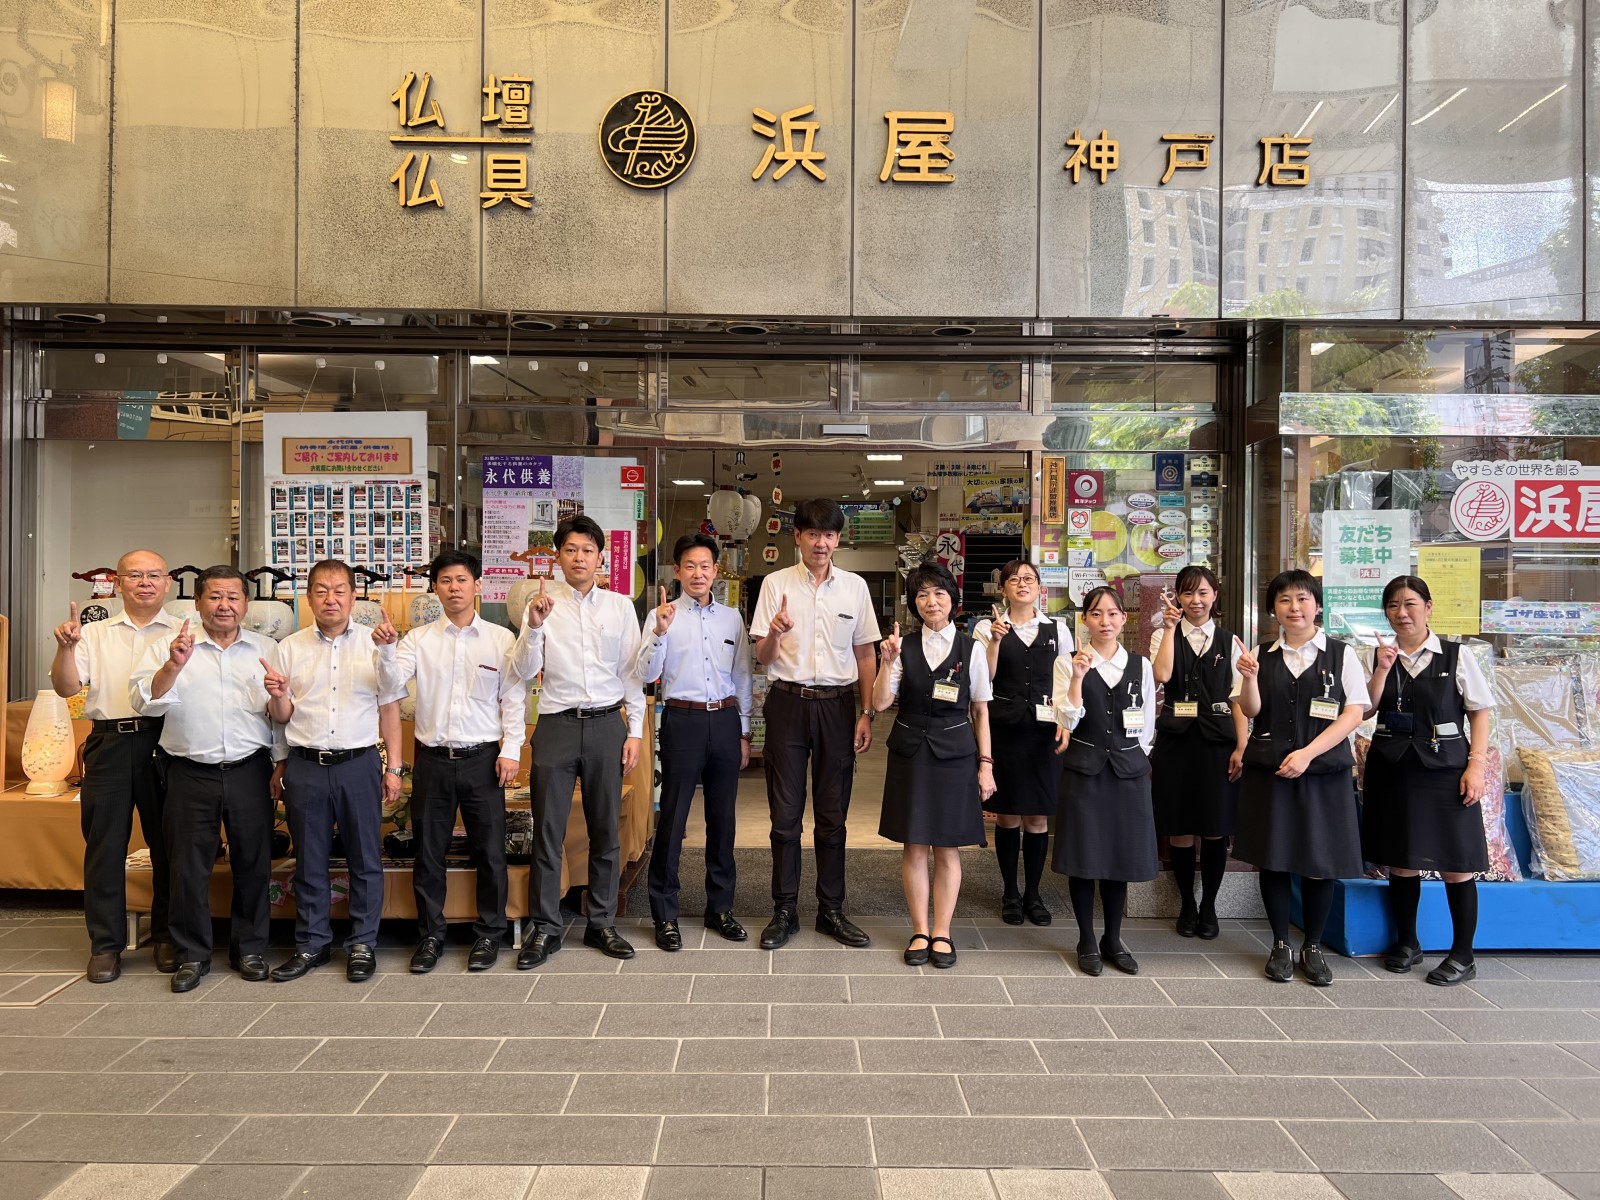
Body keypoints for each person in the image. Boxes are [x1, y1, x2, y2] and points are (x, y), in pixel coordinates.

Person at [129, 566, 285, 992]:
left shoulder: (266, 647)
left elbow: (281, 715)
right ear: (198, 602)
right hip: (188, 772)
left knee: (253, 863)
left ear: (246, 604)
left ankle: (250, 949)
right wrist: (173, 667)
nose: (224, 606)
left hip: (250, 770)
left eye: (233, 597)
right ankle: (192, 954)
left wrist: (280, 760)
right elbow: (145, 701)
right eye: (215, 597)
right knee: (187, 869)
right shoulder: (169, 644)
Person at [379, 550, 524, 974]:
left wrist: (511, 750)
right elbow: (389, 687)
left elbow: (512, 700)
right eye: (445, 580)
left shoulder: (501, 639)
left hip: (484, 759)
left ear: (477, 586)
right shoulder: (417, 640)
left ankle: (489, 933)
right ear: (436, 587)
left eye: (461, 580)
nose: (454, 587)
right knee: (429, 853)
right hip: (434, 762)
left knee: (490, 853)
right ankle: (430, 935)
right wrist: (387, 652)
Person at [510, 515, 646, 967]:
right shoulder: (542, 605)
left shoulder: (620, 607)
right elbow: (525, 671)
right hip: (556, 725)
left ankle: (601, 923)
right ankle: (546, 927)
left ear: (600, 557)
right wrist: (532, 627)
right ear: (558, 557)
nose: (579, 558)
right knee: (547, 829)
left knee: (605, 827)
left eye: (588, 550)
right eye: (570, 550)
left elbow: (632, 674)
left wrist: (636, 732)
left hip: (608, 724)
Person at [750, 497, 881, 950]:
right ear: (798, 538)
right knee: (784, 817)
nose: (820, 543)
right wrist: (775, 633)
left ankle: (831, 910)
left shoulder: (855, 588)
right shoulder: (774, 584)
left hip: (839, 707)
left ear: (838, 539)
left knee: (832, 815)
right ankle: (784, 909)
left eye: (829, 535)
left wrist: (866, 712)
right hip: (786, 704)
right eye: (812, 534)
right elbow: (761, 657)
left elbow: (866, 654)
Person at [266, 559, 404, 983]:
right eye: (322, 590)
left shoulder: (374, 642)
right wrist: (278, 700)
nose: (331, 598)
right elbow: (281, 715)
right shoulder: (289, 647)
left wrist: (394, 768)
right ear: (308, 599)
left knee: (365, 857)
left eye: (340, 590)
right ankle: (311, 944)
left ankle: (363, 943)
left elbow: (390, 707)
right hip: (306, 765)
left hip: (358, 764)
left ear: (352, 596)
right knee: (308, 860)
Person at [50, 549, 182, 983]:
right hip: (109, 741)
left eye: (154, 575)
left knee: (169, 845)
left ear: (167, 582)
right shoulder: (94, 633)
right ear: (119, 583)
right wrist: (65, 649)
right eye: (135, 575)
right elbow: (67, 686)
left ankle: (166, 936)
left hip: (166, 742)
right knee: (104, 846)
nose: (145, 582)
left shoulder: (185, 631)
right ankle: (105, 946)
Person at [1232, 569, 1368, 987]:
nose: (1295, 608)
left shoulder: (1341, 654)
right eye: (1285, 600)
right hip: (1271, 770)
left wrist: (1308, 754)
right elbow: (1251, 711)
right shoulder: (1260, 653)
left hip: (1323, 773)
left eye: (1303, 599)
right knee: (1273, 858)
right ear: (1273, 608)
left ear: (1318, 605)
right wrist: (1251, 677)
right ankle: (1278, 944)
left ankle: (1312, 945)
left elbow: (1354, 712)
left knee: (1319, 861)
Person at [1363, 574, 1494, 987]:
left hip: (1444, 771)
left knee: (1457, 863)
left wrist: (1476, 766)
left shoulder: (1455, 656)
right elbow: (1365, 709)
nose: (1402, 613)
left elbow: (1480, 711)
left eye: (1410, 604)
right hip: (1392, 767)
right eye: (1393, 606)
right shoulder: (1381, 655)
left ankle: (1463, 955)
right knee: (1401, 860)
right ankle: (1407, 942)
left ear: (1428, 607)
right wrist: (1382, 669)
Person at [872, 564, 996, 969]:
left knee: (947, 846)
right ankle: (919, 929)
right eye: (922, 594)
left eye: (939, 593)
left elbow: (980, 711)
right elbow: (878, 704)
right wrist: (885, 662)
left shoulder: (971, 647)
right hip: (911, 751)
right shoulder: (902, 646)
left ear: (952, 601)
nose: (931, 601)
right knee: (914, 844)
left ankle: (942, 931)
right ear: (914, 603)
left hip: (956, 754)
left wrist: (986, 765)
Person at [638, 533, 753, 952]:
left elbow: (741, 676)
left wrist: (742, 732)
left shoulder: (731, 619)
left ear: (716, 571)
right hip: (681, 720)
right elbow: (646, 673)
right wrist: (660, 633)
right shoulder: (661, 615)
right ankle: (664, 913)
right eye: (690, 566)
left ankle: (720, 908)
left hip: (723, 720)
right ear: (678, 571)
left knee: (723, 820)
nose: (698, 573)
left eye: (705, 565)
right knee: (673, 818)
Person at [1052, 586, 1158, 976]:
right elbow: (1066, 719)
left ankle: (1113, 938)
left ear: (1124, 619)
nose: (1105, 622)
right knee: (1084, 858)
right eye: (1096, 615)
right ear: (1085, 620)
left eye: (1112, 614)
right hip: (1084, 770)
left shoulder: (1141, 665)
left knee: (1119, 857)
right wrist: (1079, 676)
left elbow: (1147, 723)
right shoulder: (1067, 663)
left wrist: (1138, 756)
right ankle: (1085, 938)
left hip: (1128, 773)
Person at [973, 559, 1074, 926]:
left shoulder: (1057, 629)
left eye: (1029, 578)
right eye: (1013, 579)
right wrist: (997, 640)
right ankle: (1010, 892)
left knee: (1037, 817)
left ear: (1039, 588)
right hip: (1004, 730)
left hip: (1044, 733)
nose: (1022, 583)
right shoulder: (987, 628)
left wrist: (1067, 722)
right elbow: (984, 679)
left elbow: (1067, 680)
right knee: (1008, 814)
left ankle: (1034, 892)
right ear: (1003, 589)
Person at [1149, 565, 1246, 940]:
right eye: (1188, 593)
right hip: (1176, 741)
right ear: (1178, 597)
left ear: (1215, 596)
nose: (1196, 600)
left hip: (1218, 743)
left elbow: (1238, 699)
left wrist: (1242, 744)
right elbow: (1162, 676)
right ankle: (1187, 903)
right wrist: (1171, 629)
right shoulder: (1165, 635)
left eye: (1203, 593)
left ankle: (1210, 906)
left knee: (1215, 828)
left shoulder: (1230, 640)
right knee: (1179, 828)